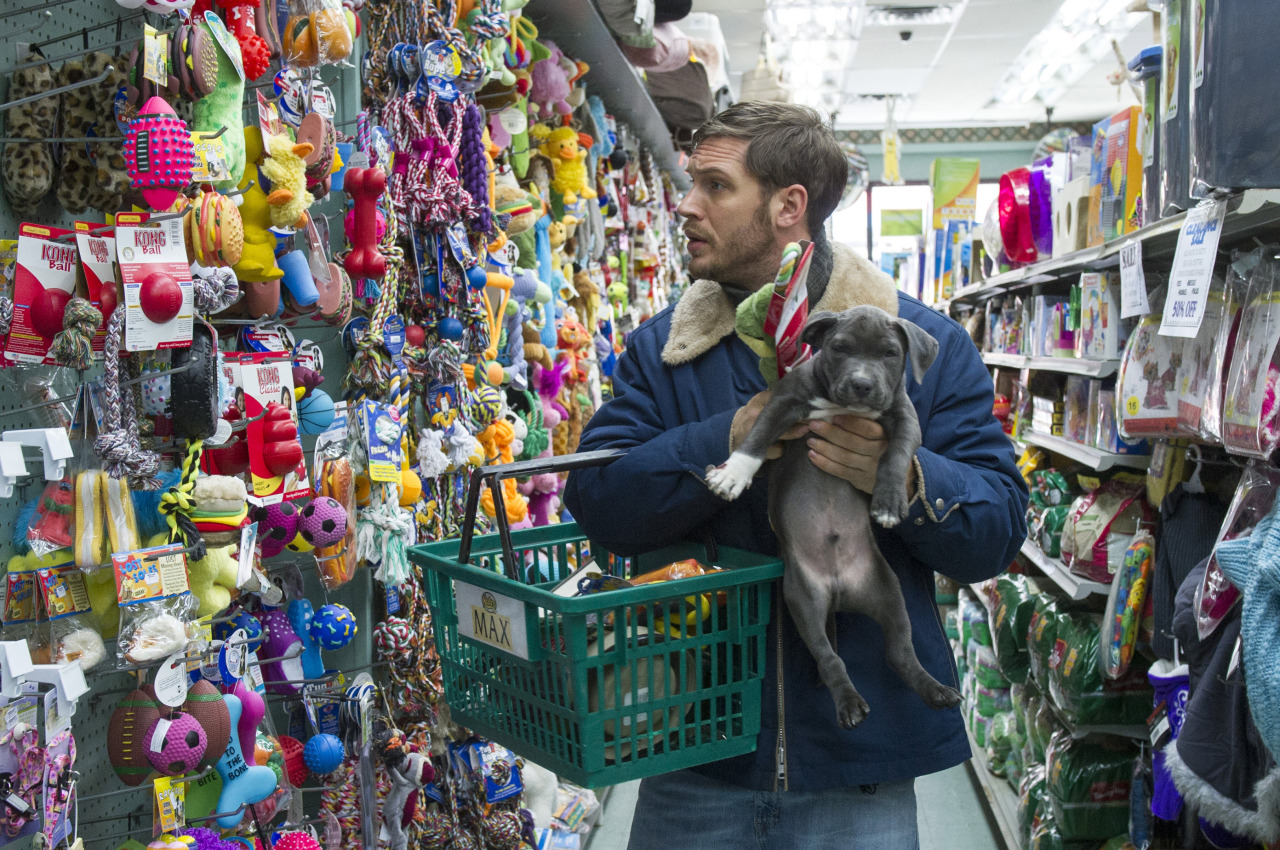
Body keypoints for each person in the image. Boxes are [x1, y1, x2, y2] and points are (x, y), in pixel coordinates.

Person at [562, 102, 1029, 849]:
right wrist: (727, 435)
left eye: (714, 186)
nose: (685, 205)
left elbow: (1001, 529)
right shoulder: (665, 351)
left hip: (861, 777)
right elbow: (600, 503)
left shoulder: (924, 346)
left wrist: (905, 478)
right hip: (694, 763)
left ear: (788, 206)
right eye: (691, 184)